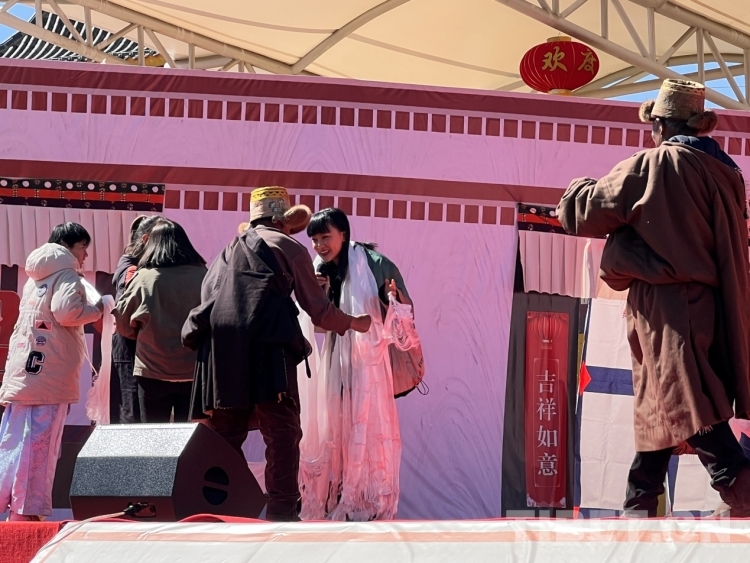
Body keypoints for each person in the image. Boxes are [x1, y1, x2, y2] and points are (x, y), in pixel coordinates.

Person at [557, 79, 750, 517]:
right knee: (660, 408)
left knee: (689, 404)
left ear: (661, 124)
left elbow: (586, 211)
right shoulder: (725, 170)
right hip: (708, 302)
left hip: (669, 306)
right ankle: (638, 504)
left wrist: (577, 187)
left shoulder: (657, 164)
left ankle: (740, 488)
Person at [183, 186, 371, 522]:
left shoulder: (226, 252)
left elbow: (208, 298)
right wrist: (354, 322)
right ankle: (281, 512)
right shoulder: (289, 247)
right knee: (282, 431)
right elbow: (319, 311)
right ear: (283, 222)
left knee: (226, 433)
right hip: (267, 350)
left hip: (221, 353)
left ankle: (218, 509)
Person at [300, 207, 410, 521]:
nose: (320, 245)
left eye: (326, 237)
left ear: (344, 234)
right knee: (334, 425)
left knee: (366, 423)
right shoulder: (318, 268)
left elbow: (403, 321)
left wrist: (391, 299)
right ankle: (337, 498)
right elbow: (316, 324)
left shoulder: (375, 265)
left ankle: (369, 503)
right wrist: (319, 293)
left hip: (368, 360)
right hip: (336, 358)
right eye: (315, 239)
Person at [0, 222, 104, 521]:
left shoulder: (35, 276)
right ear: (70, 245)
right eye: (83, 248)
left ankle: (9, 504)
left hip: (24, 374)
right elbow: (68, 313)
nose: (85, 256)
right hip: (50, 375)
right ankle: (27, 512)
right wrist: (100, 308)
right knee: (41, 446)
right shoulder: (67, 273)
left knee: (12, 442)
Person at [114, 219, 206, 423]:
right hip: (194, 371)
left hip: (151, 371)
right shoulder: (204, 276)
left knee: (153, 436)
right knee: (190, 436)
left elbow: (124, 325)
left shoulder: (143, 278)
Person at [111, 215, 160, 424]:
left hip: (144, 349)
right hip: (128, 347)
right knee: (131, 413)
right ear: (146, 239)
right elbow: (125, 310)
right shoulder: (131, 267)